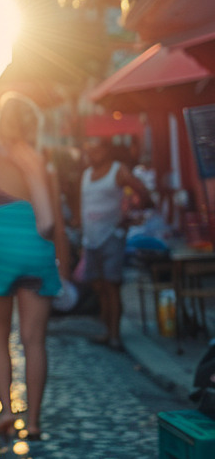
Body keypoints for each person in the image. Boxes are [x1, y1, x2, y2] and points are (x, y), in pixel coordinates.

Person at [0, 92, 70, 441]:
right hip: (38, 253)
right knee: (34, 340)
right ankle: (35, 421)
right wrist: (64, 268)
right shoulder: (44, 162)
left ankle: (7, 410)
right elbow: (57, 221)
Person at [75, 137, 152, 350]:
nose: (92, 154)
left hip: (111, 237)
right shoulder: (86, 175)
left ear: (106, 151)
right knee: (98, 286)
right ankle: (107, 330)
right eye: (89, 150)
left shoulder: (118, 171)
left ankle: (115, 335)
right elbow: (83, 206)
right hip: (91, 239)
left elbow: (142, 191)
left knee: (111, 286)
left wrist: (130, 215)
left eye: (96, 150)